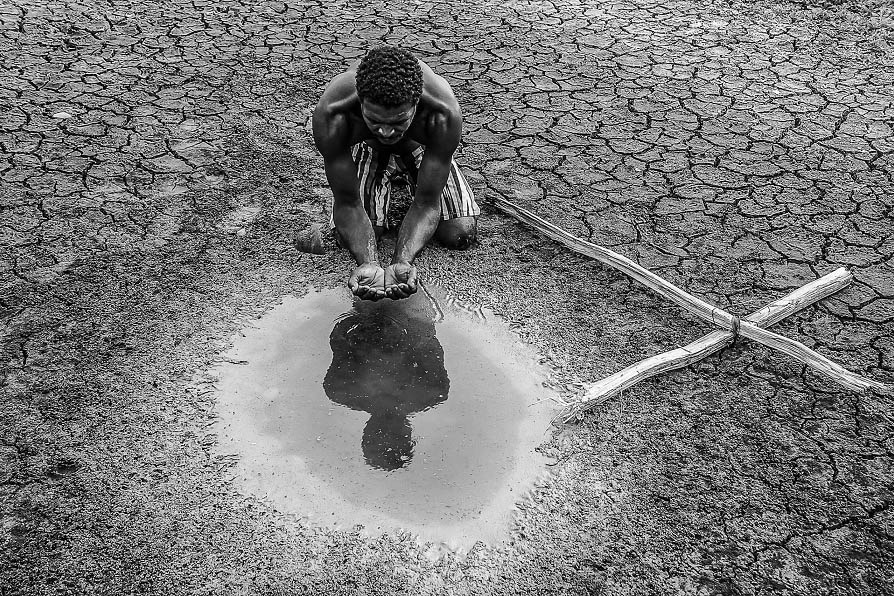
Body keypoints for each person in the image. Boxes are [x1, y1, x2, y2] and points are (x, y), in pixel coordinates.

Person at [311, 45, 480, 301]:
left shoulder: (442, 113)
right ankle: (382, 184)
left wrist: (403, 260)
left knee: (459, 234)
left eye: (399, 122)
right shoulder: (333, 114)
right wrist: (368, 262)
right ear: (360, 102)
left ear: (416, 103)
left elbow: (426, 203)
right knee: (356, 238)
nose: (386, 133)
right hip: (368, 149)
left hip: (421, 148)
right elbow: (347, 204)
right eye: (374, 121)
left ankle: (403, 180)